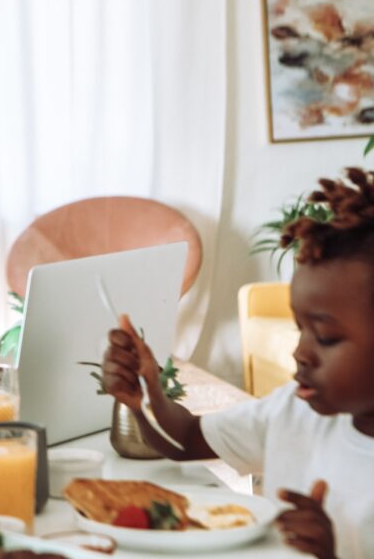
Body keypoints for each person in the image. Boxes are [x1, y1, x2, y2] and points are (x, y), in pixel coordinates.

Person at [100, 168, 374, 559]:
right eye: (300, 329)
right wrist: (145, 392)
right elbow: (188, 439)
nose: (301, 352)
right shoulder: (293, 412)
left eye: (326, 337)